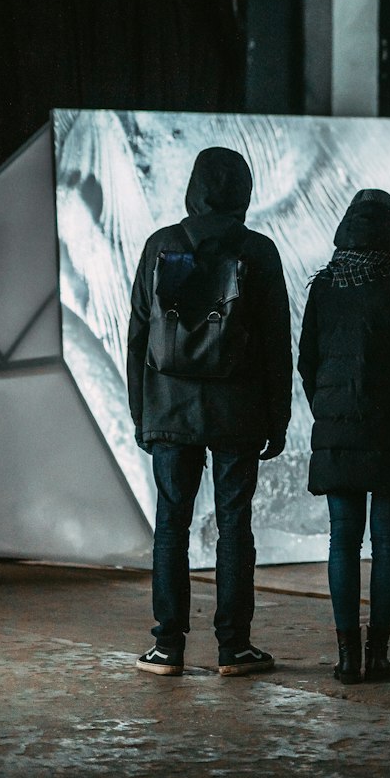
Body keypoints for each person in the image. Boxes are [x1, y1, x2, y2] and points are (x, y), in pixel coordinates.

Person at [127, 146, 292, 678]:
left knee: (171, 525)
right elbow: (275, 344)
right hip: (238, 413)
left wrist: (141, 413)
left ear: (193, 188)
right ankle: (233, 647)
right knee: (234, 527)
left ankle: (167, 647)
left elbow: (136, 338)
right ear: (244, 191)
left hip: (170, 411)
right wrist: (278, 417)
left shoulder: (162, 246)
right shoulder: (259, 253)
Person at [298, 189, 390, 684]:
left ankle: (345, 657)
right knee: (388, 542)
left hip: (339, 432)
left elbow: (307, 361)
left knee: (343, 542)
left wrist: (328, 408)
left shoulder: (327, 284)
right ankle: (378, 653)